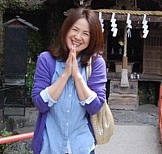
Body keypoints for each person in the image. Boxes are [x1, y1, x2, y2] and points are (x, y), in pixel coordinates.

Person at [31, 8, 108, 154]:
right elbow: (40, 104)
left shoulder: (96, 63)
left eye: (86, 34)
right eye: (75, 30)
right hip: (49, 146)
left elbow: (94, 107)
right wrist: (65, 74)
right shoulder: (46, 60)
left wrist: (77, 76)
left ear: (92, 39)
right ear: (66, 29)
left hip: (81, 146)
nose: (78, 37)